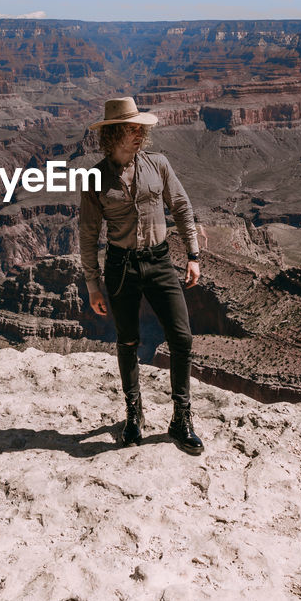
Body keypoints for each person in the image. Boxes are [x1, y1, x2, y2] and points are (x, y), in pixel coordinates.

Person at [78, 96, 204, 454]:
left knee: (181, 338)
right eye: (132, 130)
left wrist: (193, 255)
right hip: (121, 268)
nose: (140, 135)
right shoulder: (95, 179)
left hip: (161, 262)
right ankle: (134, 415)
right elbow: (88, 235)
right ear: (114, 134)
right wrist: (92, 285)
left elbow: (181, 205)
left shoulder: (158, 164)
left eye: (141, 130)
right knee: (128, 341)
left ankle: (181, 418)